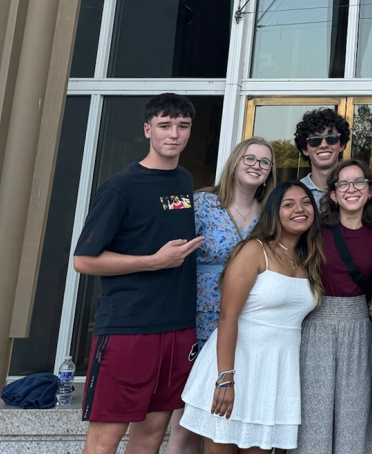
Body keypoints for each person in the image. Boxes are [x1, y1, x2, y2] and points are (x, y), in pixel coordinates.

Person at [73, 94, 205, 454]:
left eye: (182, 126)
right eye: (164, 126)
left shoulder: (184, 181)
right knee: (105, 439)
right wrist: (152, 261)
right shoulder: (121, 187)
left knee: (151, 434)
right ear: (148, 130)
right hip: (129, 328)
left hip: (177, 329)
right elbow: (84, 260)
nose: (173, 134)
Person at [180, 181, 324, 452]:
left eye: (306, 202)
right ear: (273, 212)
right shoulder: (255, 250)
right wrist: (225, 378)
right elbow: (227, 317)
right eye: (289, 204)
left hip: (275, 374)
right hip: (235, 368)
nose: (300, 209)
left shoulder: (308, 258)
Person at [168, 137, 276, 454]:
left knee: (233, 413)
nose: (257, 166)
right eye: (250, 158)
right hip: (200, 318)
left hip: (248, 322)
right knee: (188, 419)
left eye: (264, 162)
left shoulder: (270, 214)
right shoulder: (200, 203)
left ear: (270, 172)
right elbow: (165, 232)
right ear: (235, 162)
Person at [294, 160, 372, 454]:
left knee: (355, 416)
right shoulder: (316, 230)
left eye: (359, 182)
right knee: (314, 414)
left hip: (358, 322)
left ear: (370, 191)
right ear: (332, 194)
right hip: (317, 322)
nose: (351, 189)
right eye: (343, 184)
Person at [295, 107, 349, 206]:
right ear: (305, 149)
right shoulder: (293, 193)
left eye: (331, 138)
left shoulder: (356, 190)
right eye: (315, 140)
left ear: (341, 145)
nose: (323, 145)